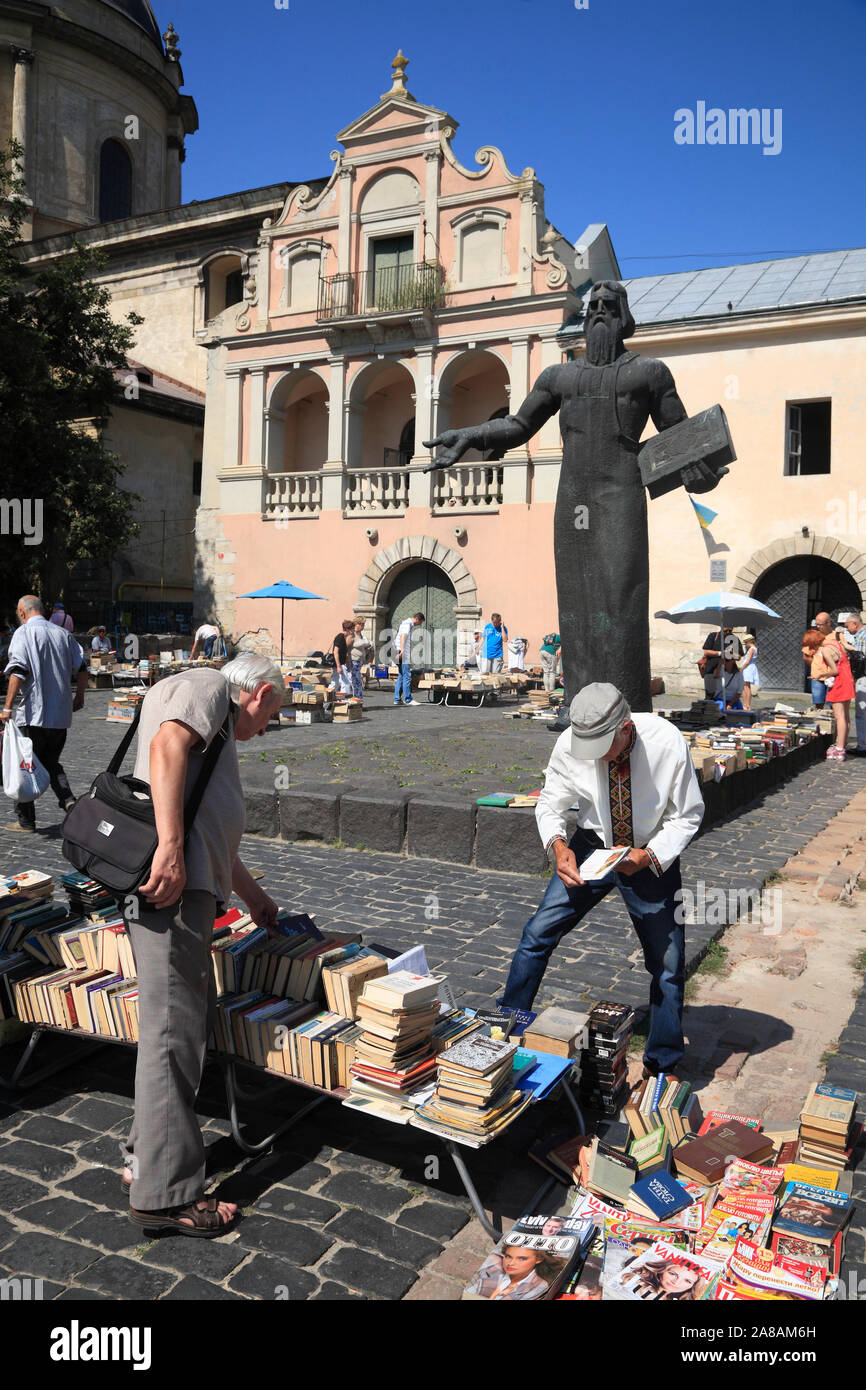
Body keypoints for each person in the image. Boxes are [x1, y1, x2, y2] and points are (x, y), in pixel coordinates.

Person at [122, 653, 285, 1237]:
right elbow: (166, 747)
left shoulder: (211, 717)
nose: (265, 729)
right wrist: (169, 850)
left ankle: (145, 1158)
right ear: (260, 693)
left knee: (170, 1031)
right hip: (173, 891)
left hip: (183, 887)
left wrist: (253, 897)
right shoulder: (211, 687)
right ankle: (165, 1195)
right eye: (272, 715)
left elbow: (209, 829)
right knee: (173, 1036)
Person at [500, 682, 703, 1077]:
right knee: (537, 934)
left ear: (625, 728)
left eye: (603, 746)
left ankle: (662, 1064)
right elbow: (551, 800)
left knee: (668, 959)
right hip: (591, 846)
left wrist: (649, 856)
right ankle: (506, 1028)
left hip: (648, 852)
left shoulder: (666, 741)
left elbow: (687, 814)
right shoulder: (569, 743)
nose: (595, 755)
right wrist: (558, 846)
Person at [1, 594, 87, 832]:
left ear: (22, 612)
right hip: (60, 715)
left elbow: (18, 671)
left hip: (34, 714)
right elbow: (82, 667)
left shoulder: (23, 633)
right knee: (50, 762)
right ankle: (68, 800)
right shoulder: (63, 634)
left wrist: (7, 707)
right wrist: (79, 697)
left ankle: (25, 820)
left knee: (25, 764)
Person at [814, 611, 854, 760]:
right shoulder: (837, 643)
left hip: (839, 682)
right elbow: (850, 650)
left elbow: (834, 670)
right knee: (846, 716)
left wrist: (820, 675)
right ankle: (841, 745)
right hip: (847, 680)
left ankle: (839, 749)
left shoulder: (826, 648)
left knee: (840, 716)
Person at [464, 1243, 554, 1300]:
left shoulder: (539, 1285)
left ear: (538, 1260)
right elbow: (468, 1293)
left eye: (522, 1258)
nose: (511, 1263)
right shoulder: (493, 1265)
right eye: (508, 1256)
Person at [842, 613, 866, 756]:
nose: (846, 628)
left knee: (862, 712)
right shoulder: (859, 636)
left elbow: (861, 659)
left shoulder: (863, 637)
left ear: (855, 624)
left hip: (863, 678)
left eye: (847, 626)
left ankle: (863, 746)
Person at [701, 627, 742, 698]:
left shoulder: (734, 639)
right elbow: (706, 652)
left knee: (725, 695)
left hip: (727, 672)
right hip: (711, 670)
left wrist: (732, 654)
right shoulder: (713, 636)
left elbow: (739, 657)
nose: (728, 632)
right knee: (710, 695)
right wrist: (722, 653)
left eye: (730, 630)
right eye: (726, 631)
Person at [394, 612, 424, 707]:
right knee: (407, 676)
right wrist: (402, 651)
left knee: (401, 675)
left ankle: (397, 699)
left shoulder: (406, 624)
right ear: (417, 619)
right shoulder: (407, 624)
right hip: (402, 652)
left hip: (399, 651)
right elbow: (403, 636)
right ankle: (408, 699)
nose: (420, 624)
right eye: (420, 622)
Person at [802, 624, 827, 707]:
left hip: (830, 676)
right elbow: (806, 657)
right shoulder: (811, 640)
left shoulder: (828, 641)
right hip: (817, 676)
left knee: (833, 703)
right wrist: (815, 665)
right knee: (818, 702)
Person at [330, 619, 355, 698]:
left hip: (341, 663)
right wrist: (338, 666)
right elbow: (335, 652)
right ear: (347, 629)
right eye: (352, 629)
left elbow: (345, 653)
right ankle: (343, 699)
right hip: (339, 664)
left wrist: (347, 662)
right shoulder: (340, 637)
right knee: (345, 682)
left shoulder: (344, 638)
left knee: (335, 683)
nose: (353, 630)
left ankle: (328, 700)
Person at [348, 620, 372, 702]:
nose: (363, 626)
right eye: (361, 624)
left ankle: (358, 699)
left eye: (363, 624)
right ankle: (357, 698)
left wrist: (366, 648)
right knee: (356, 680)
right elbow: (349, 646)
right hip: (353, 660)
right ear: (356, 625)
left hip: (359, 660)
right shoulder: (352, 635)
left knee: (358, 681)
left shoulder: (360, 635)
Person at [739, 633, 759, 710]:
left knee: (746, 687)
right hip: (750, 668)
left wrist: (741, 668)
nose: (745, 644)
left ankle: (747, 705)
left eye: (745, 642)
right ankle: (746, 704)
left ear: (749, 641)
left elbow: (747, 661)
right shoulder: (754, 648)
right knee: (746, 687)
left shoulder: (751, 649)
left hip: (748, 668)